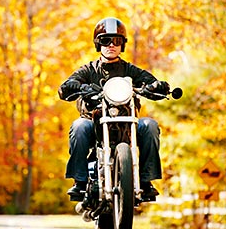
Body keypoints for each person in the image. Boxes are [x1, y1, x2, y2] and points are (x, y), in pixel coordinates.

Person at [58, 17, 170, 201]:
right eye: (105, 40)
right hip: (94, 125)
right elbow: (67, 86)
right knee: (79, 127)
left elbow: (151, 81)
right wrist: (74, 86)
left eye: (116, 40)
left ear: (122, 44)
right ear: (97, 43)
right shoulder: (88, 70)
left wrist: (158, 86)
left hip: (127, 125)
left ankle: (146, 180)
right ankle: (79, 181)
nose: (111, 45)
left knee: (150, 125)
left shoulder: (130, 70)